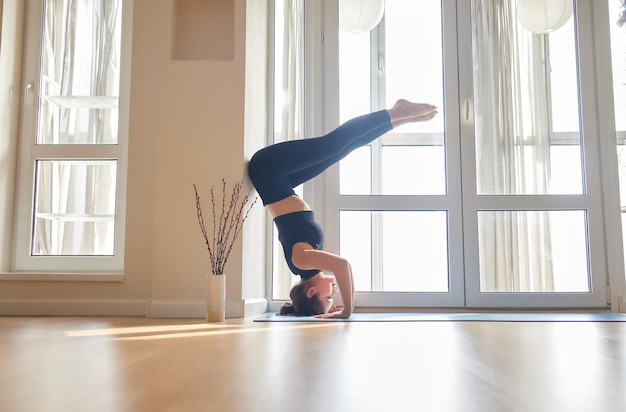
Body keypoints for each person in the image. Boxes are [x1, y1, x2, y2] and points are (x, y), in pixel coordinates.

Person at [248, 99, 438, 318]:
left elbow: (342, 265)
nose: (334, 293)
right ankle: (400, 119)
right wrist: (346, 307)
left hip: (267, 170)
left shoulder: (300, 262)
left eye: (328, 298)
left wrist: (347, 310)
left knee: (333, 144)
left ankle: (397, 111)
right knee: (342, 149)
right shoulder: (309, 264)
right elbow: (343, 268)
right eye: (333, 300)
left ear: (311, 292)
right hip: (280, 179)